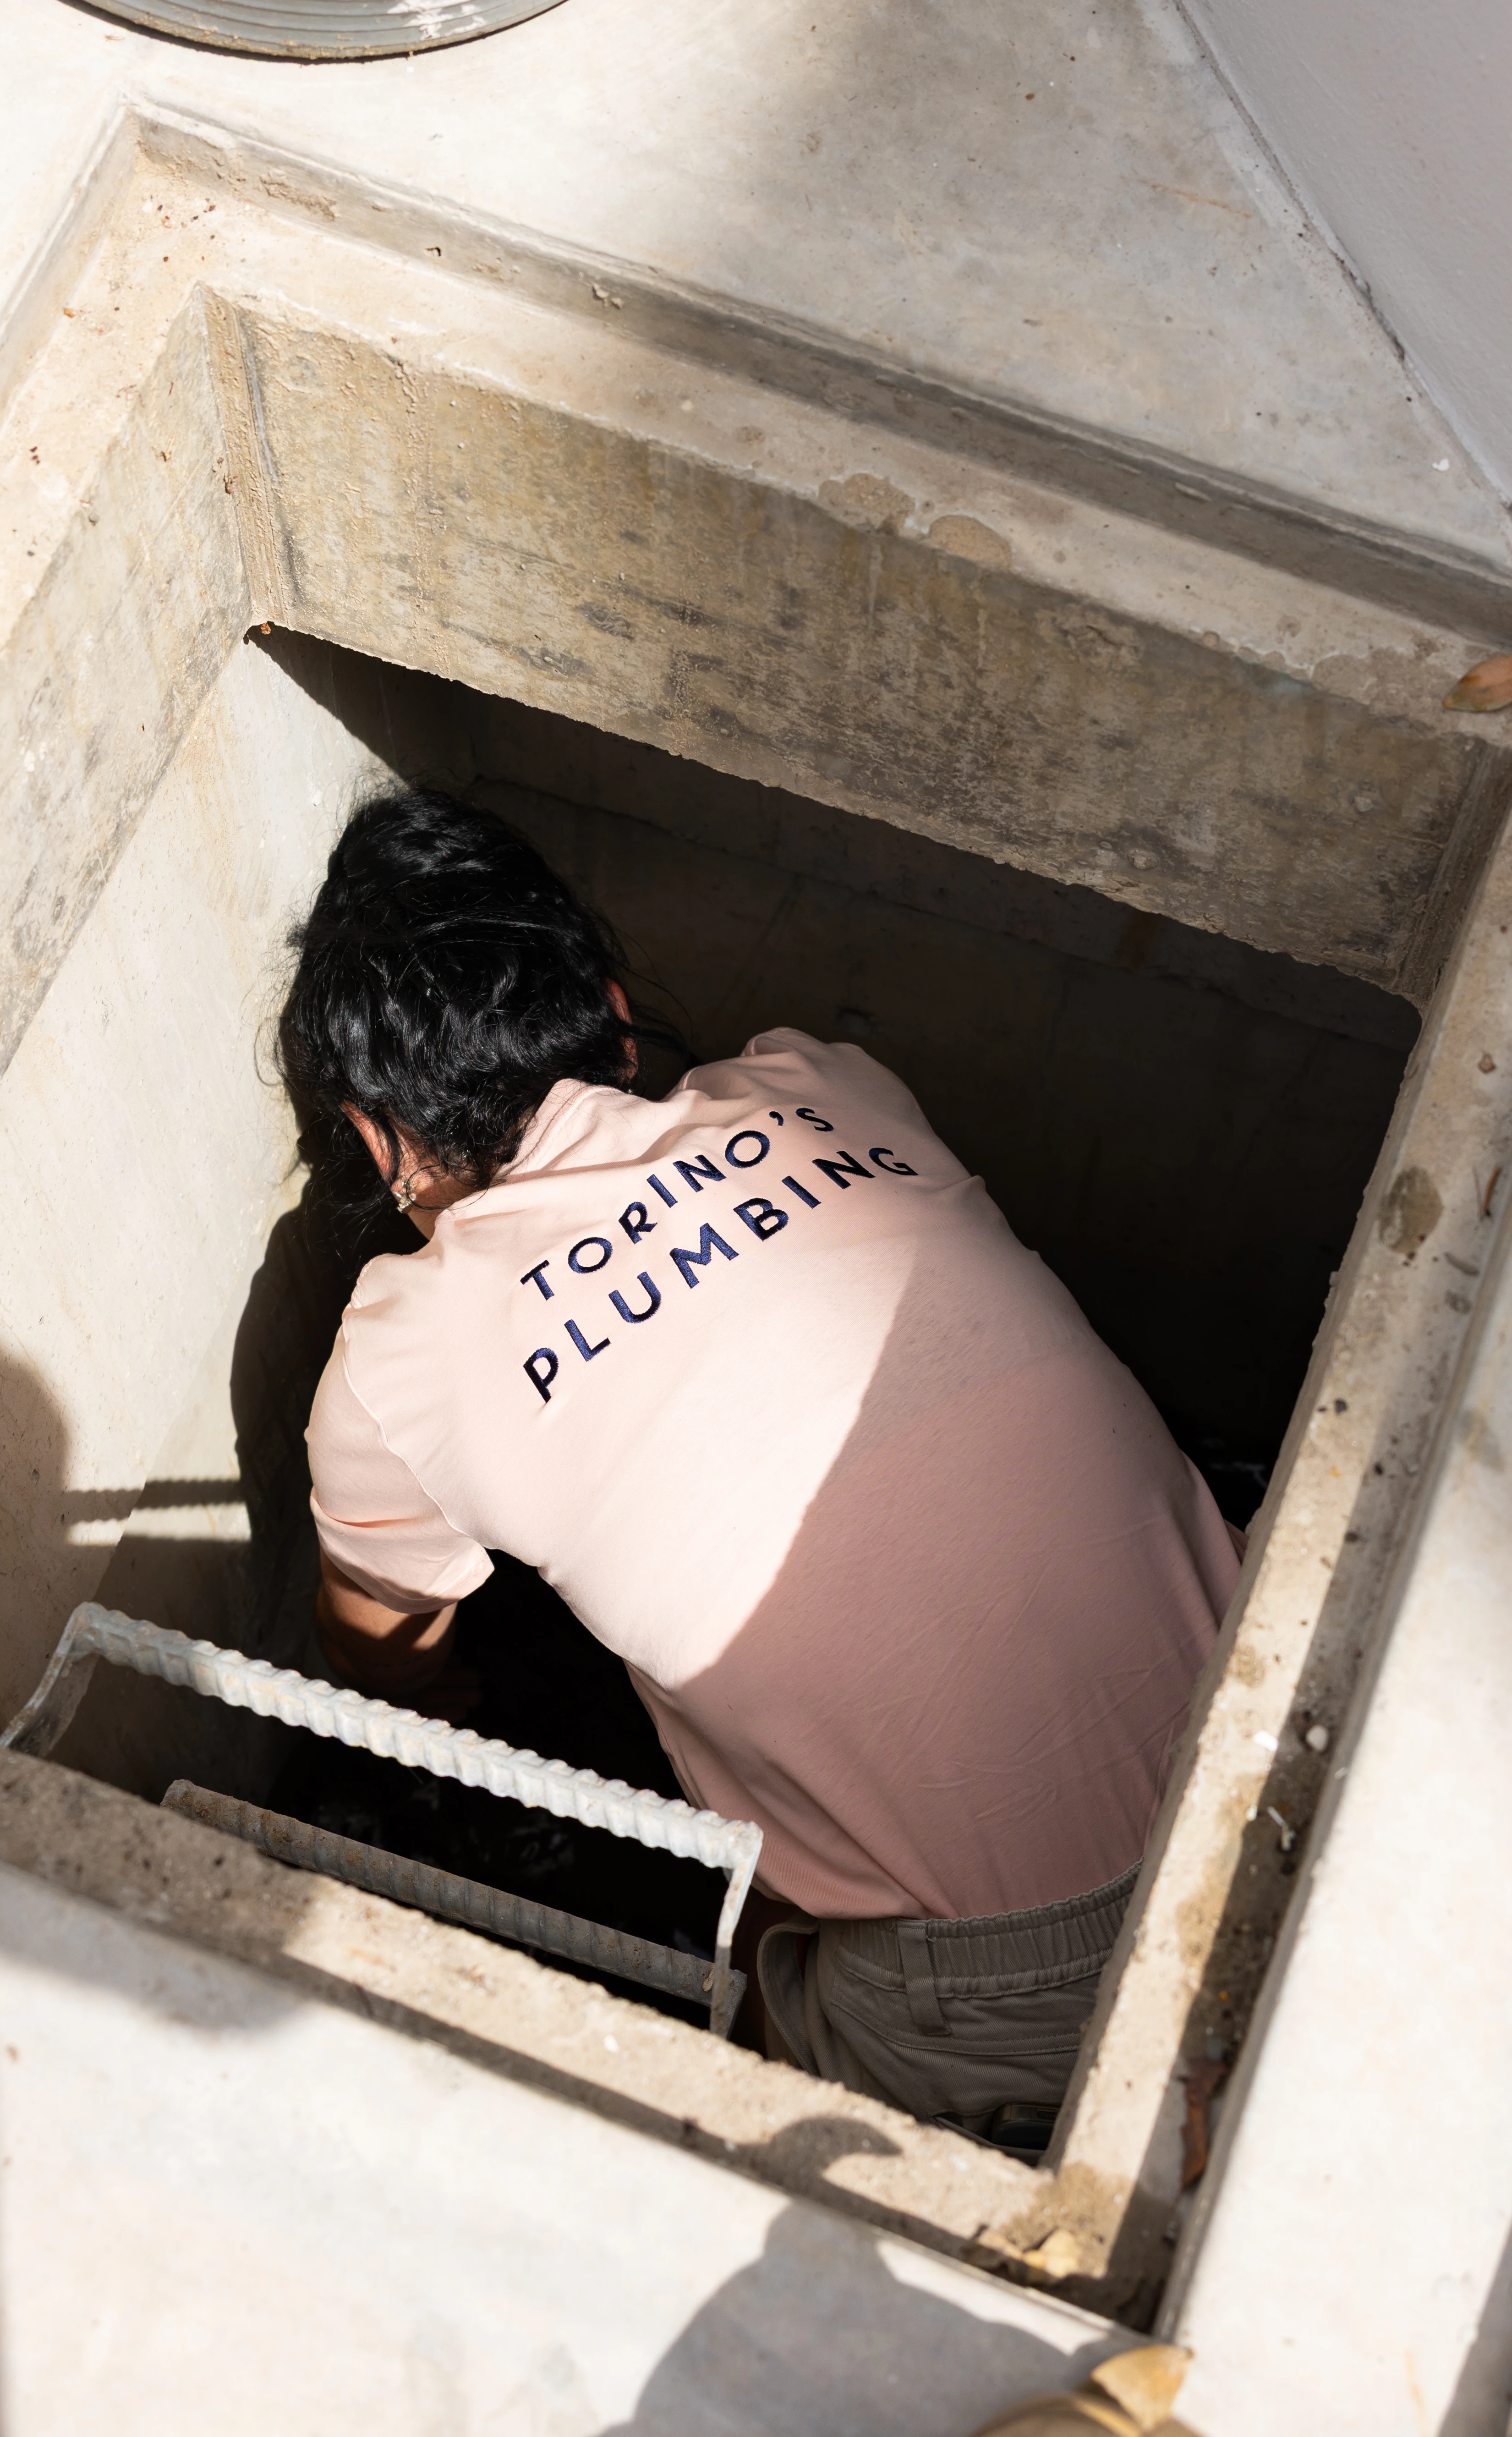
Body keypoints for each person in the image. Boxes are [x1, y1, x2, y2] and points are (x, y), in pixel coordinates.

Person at [277, 788, 1238, 2143]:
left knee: (760, 2075)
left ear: (377, 1138)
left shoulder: (400, 1352)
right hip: (1280, 1745)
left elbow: (378, 1653)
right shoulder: (827, 1082)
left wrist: (449, 1689)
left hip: (1024, 1983)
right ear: (614, 1014)